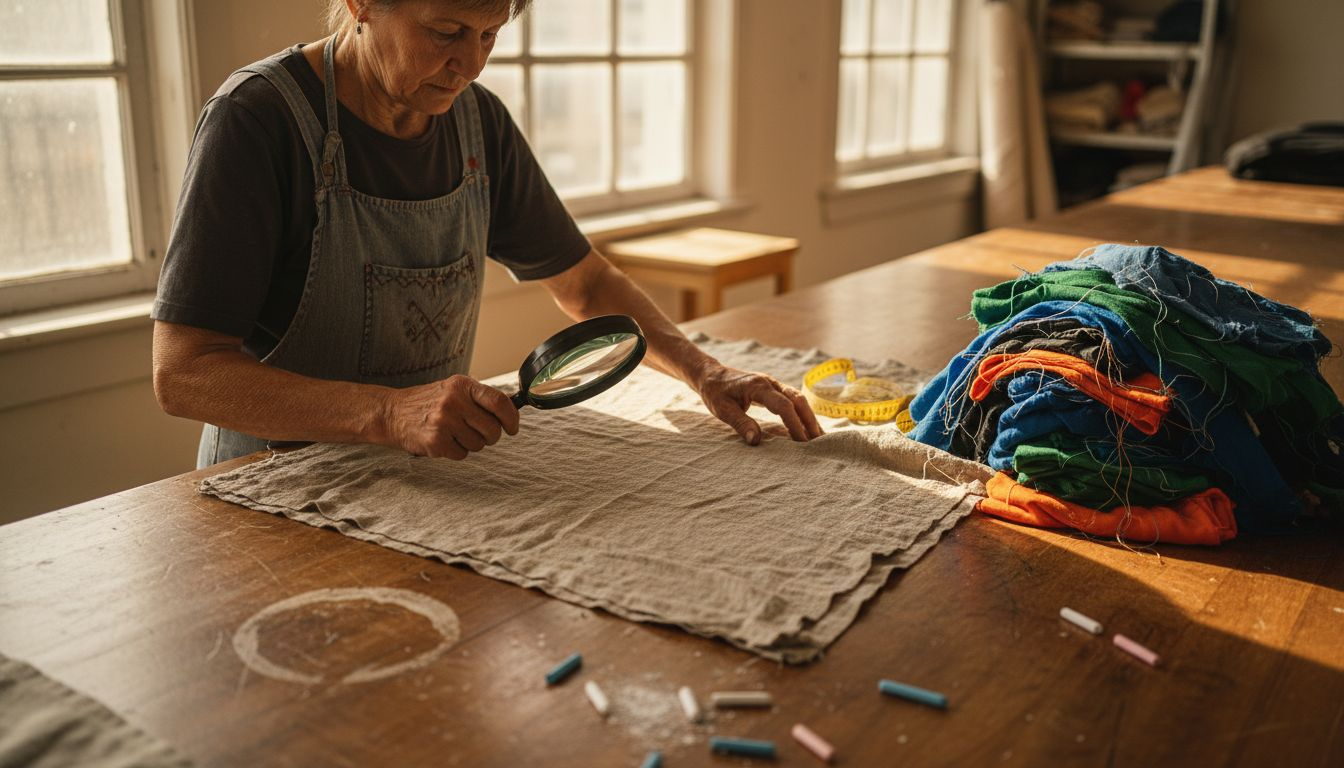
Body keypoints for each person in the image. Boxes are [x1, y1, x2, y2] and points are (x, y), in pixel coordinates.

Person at [152, 0, 821, 468]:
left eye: (489, 35)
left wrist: (705, 372)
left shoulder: (477, 124)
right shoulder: (255, 121)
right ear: (361, 4)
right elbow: (183, 373)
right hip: (270, 488)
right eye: (445, 31)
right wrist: (388, 414)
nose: (470, 64)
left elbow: (587, 284)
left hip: (418, 483)